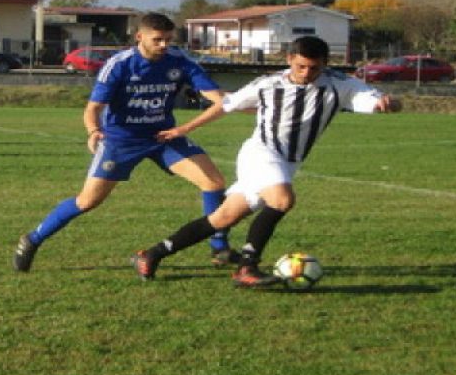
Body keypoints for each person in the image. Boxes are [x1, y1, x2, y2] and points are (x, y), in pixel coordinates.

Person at [131, 35, 400, 288]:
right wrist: (184, 129)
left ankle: (151, 254)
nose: (306, 73)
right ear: (289, 59)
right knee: (282, 200)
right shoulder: (268, 84)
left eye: (313, 68)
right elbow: (226, 105)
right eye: (301, 66)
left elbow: (373, 100)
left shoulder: (340, 84)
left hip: (288, 161)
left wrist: (389, 104)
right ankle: (247, 267)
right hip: (261, 152)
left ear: (325, 64)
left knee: (223, 217)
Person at [13, 12, 238, 273]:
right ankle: (32, 239)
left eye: (168, 40)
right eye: (158, 40)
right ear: (139, 37)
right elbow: (93, 108)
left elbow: (217, 97)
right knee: (88, 201)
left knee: (214, 182)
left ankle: (219, 246)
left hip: (162, 137)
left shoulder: (179, 61)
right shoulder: (119, 65)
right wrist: (93, 131)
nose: (164, 46)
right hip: (121, 141)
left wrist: (254, 101)